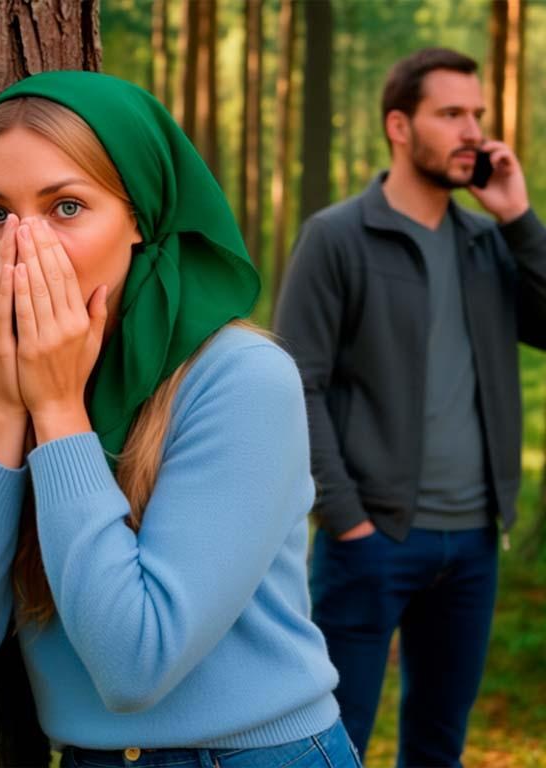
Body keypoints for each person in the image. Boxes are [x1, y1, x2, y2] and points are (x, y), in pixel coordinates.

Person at [0, 71, 361, 768]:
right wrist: (12, 406)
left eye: (67, 207)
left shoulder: (241, 379)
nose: (23, 245)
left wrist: (55, 408)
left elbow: (137, 663)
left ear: (140, 215)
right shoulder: (4, 383)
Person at [274, 48, 546, 767]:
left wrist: (520, 218)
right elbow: (295, 384)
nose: (475, 133)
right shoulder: (335, 238)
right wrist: (347, 520)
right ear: (400, 125)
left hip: (475, 545)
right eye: (452, 114)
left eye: (478, 115)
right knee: (330, 746)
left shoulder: (489, 242)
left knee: (437, 748)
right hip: (373, 542)